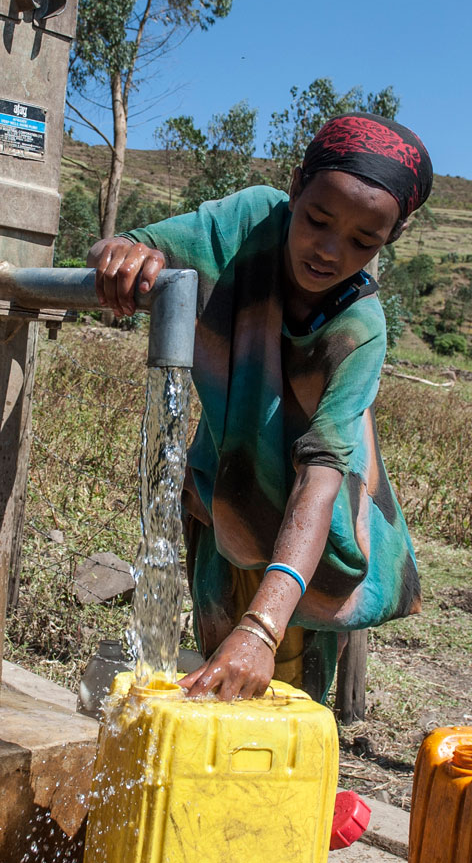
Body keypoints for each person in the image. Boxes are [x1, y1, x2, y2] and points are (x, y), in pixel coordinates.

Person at [90, 114, 433, 703]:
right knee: (215, 659)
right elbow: (129, 248)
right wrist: (121, 255)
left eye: (362, 241)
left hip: (309, 538)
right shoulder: (246, 225)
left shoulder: (358, 329)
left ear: (390, 238)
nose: (329, 251)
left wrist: (263, 628)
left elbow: (321, 478)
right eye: (318, 220)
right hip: (226, 500)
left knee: (282, 694)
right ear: (296, 186)